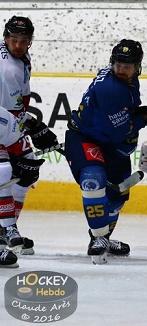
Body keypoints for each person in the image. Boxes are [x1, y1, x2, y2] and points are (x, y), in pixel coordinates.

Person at [65, 39, 147, 264]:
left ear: (137, 67)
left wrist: (138, 112)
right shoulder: (110, 88)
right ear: (112, 63)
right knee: (93, 180)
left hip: (108, 143)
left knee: (118, 196)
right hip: (85, 138)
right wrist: (143, 119)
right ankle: (98, 238)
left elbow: (123, 115)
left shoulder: (128, 81)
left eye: (127, 66)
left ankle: (105, 237)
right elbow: (120, 131)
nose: (121, 69)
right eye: (118, 65)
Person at [0, 16, 59, 256]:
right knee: (4, 170)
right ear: (5, 39)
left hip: (6, 122)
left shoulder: (22, 59)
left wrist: (34, 125)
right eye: (14, 40)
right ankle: (8, 227)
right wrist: (29, 126)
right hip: (2, 122)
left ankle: (5, 229)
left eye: (23, 41)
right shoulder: (5, 68)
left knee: (29, 169)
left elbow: (18, 105)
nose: (18, 45)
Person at [0, 106, 48, 268]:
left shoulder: (3, 119)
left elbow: (17, 143)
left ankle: (6, 230)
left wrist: (28, 163)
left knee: (3, 171)